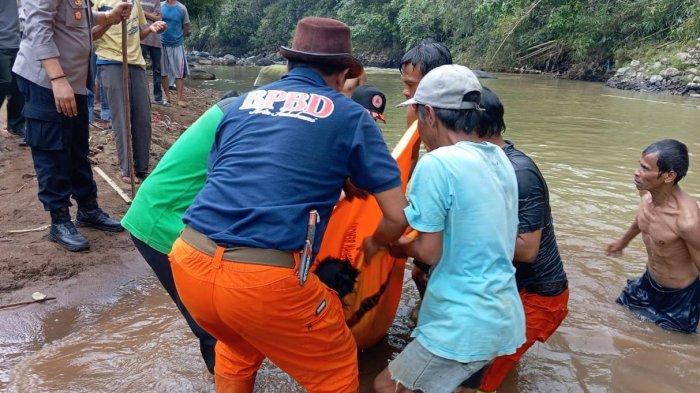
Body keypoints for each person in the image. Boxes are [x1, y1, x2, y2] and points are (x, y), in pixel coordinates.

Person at [169, 17, 408, 392]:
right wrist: (376, 243)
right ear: (345, 73)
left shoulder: (239, 105)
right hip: (262, 282)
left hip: (189, 263)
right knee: (336, 369)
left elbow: (230, 180)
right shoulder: (351, 116)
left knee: (238, 347)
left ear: (290, 63)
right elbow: (397, 214)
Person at [374, 64, 525, 393]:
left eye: (415, 116)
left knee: (386, 386)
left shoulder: (437, 163)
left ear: (429, 114)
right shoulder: (501, 157)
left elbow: (429, 251)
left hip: (462, 322)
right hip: (503, 314)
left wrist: (396, 246)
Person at [122, 91, 242, 374]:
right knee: (215, 328)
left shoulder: (241, 111)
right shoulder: (239, 120)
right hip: (164, 223)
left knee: (230, 319)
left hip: (180, 217)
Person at [465, 87, 568, 392]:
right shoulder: (486, 164)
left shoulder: (519, 173)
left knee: (474, 380)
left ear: (476, 129)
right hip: (509, 290)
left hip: (537, 295)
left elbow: (526, 249)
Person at [13, 0, 132, 252]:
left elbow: (79, 16)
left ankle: (87, 208)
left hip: (73, 81)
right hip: (46, 81)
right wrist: (57, 78)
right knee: (52, 150)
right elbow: (38, 26)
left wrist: (108, 16)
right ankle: (60, 220)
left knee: (77, 147)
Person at [608, 139, 699, 334]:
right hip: (649, 281)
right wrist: (622, 242)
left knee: (672, 343)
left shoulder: (687, 221)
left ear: (669, 176)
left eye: (644, 168)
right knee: (620, 314)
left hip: (678, 296)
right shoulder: (646, 195)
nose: (636, 172)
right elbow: (642, 219)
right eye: (639, 165)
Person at [398, 39, 453, 297]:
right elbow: (410, 156)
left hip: (453, 193)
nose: (405, 93)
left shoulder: (460, 109)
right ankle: (426, 313)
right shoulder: (415, 112)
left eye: (411, 85)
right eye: (404, 84)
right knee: (419, 273)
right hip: (434, 191)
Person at [92, 0, 166, 183]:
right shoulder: (96, 2)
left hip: (136, 62)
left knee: (143, 117)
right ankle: (127, 170)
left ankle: (142, 168)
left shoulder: (134, 3)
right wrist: (111, 18)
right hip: (110, 62)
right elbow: (89, 35)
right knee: (121, 118)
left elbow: (138, 35)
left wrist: (151, 28)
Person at [0, 0, 25, 144]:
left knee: (19, 86)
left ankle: (16, 124)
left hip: (18, 41)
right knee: (4, 83)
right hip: (2, 43)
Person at [160, 0, 190, 107]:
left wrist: (182, 36)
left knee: (179, 73)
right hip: (162, 43)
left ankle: (179, 99)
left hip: (177, 44)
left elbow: (186, 25)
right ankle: (167, 97)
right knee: (163, 72)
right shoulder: (160, 6)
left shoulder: (182, 8)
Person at [140, 0, 165, 105]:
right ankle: (142, 96)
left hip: (155, 40)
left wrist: (143, 12)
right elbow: (135, 13)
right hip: (141, 38)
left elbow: (158, 18)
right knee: (140, 68)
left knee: (157, 69)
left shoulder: (157, 1)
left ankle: (158, 97)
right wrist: (151, 15)